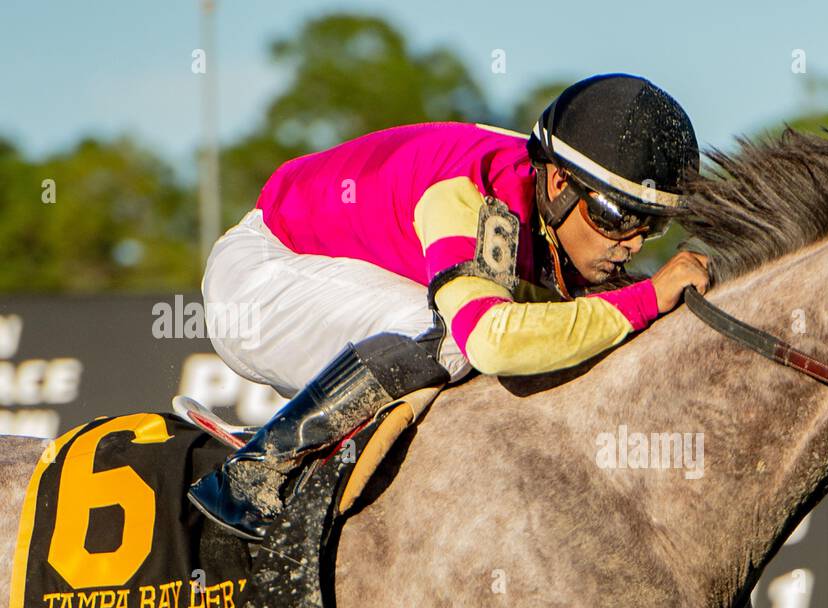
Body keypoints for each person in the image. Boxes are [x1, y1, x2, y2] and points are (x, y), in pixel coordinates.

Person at [189, 73, 710, 540]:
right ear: (558, 183)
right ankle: (254, 473)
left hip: (325, 276)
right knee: (454, 336)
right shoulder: (474, 195)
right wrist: (645, 299)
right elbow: (491, 340)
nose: (634, 243)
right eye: (618, 217)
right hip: (259, 281)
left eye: (652, 225)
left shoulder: (546, 198)